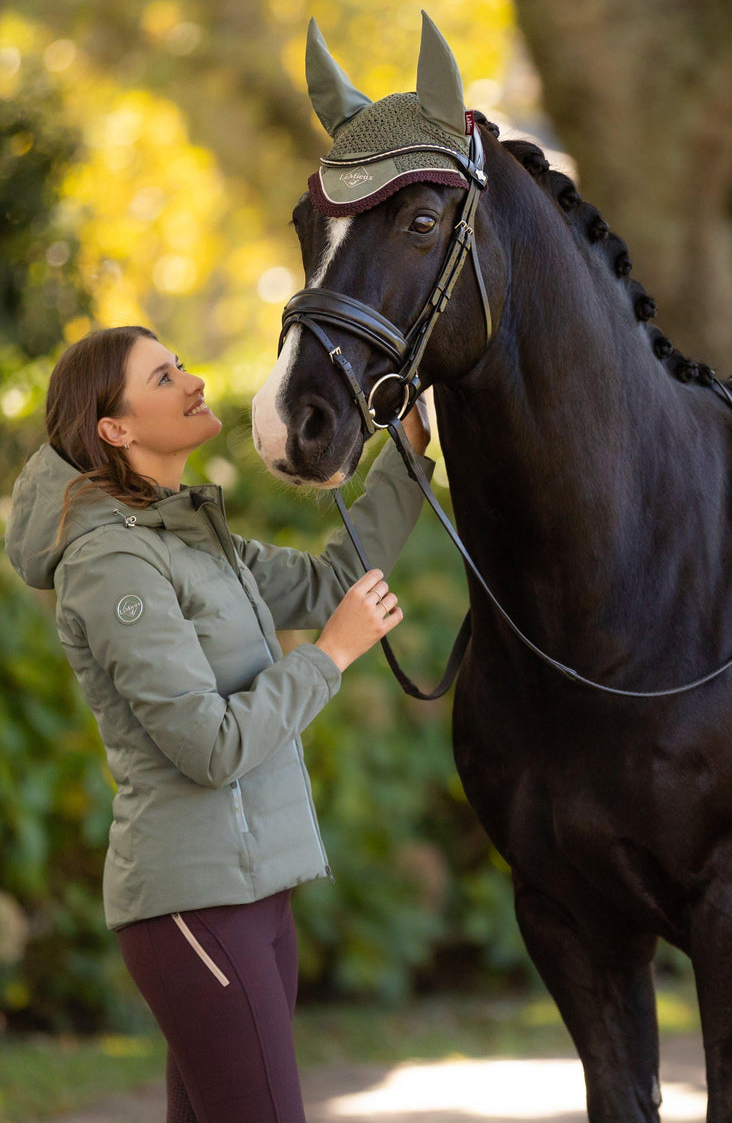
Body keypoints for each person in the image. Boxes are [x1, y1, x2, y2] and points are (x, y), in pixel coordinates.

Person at [5, 324, 432, 1123]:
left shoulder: (187, 537)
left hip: (256, 897)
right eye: (164, 377)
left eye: (182, 365)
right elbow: (210, 746)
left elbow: (333, 579)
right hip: (195, 908)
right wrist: (330, 657)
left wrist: (408, 448)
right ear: (116, 430)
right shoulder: (112, 564)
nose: (194, 380)